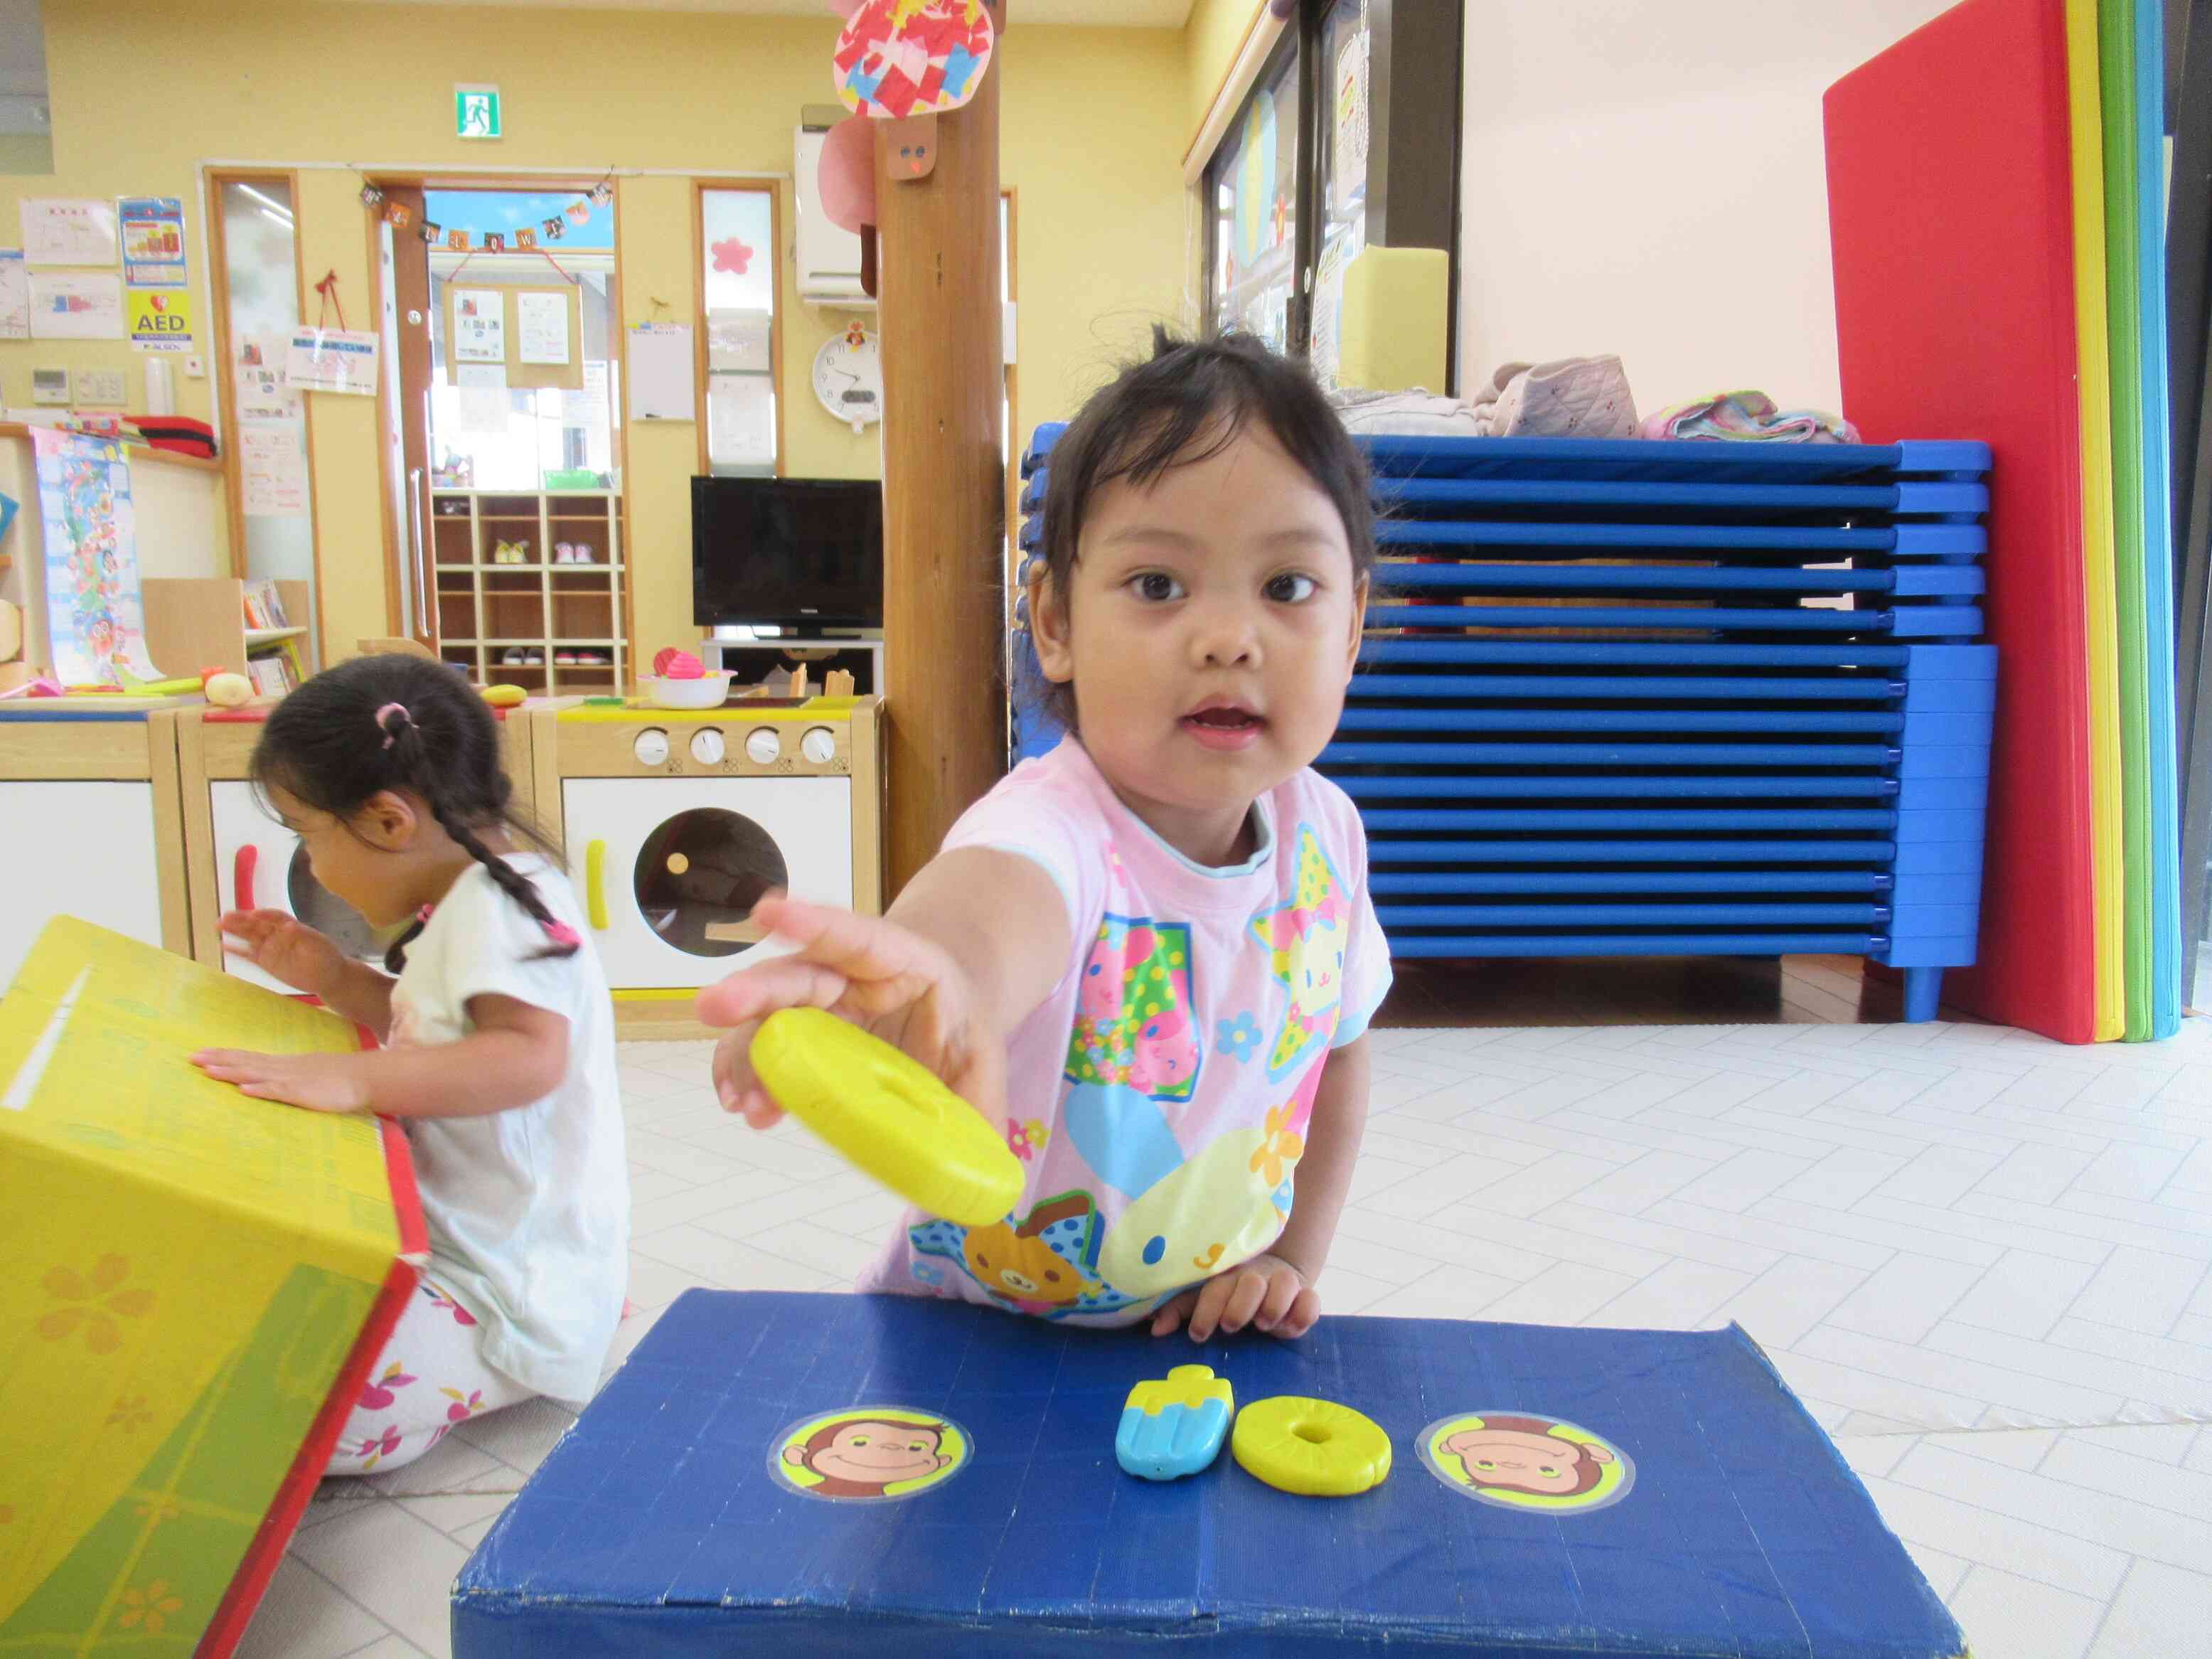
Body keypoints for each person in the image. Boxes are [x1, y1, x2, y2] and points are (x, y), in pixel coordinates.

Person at [702, 329, 1389, 1343]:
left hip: (1194, 1335)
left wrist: (1289, 1254)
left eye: (1286, 587)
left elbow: (1336, 1054)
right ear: (1055, 623)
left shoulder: (1325, 834)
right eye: (1158, 585)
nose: (1228, 637)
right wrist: (938, 981)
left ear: (1352, 628)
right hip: (979, 1342)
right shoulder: (1054, 829)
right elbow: (985, 917)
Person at [191, 655, 626, 1473]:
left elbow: (529, 1057)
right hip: (463, 1243)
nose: (311, 865)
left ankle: (487, 1377)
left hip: (504, 1290)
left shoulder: (502, 911)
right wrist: (332, 977)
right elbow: (437, 1026)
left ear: (390, 820)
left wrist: (354, 1078)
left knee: (289, 1409)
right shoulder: (486, 896)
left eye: (307, 835)